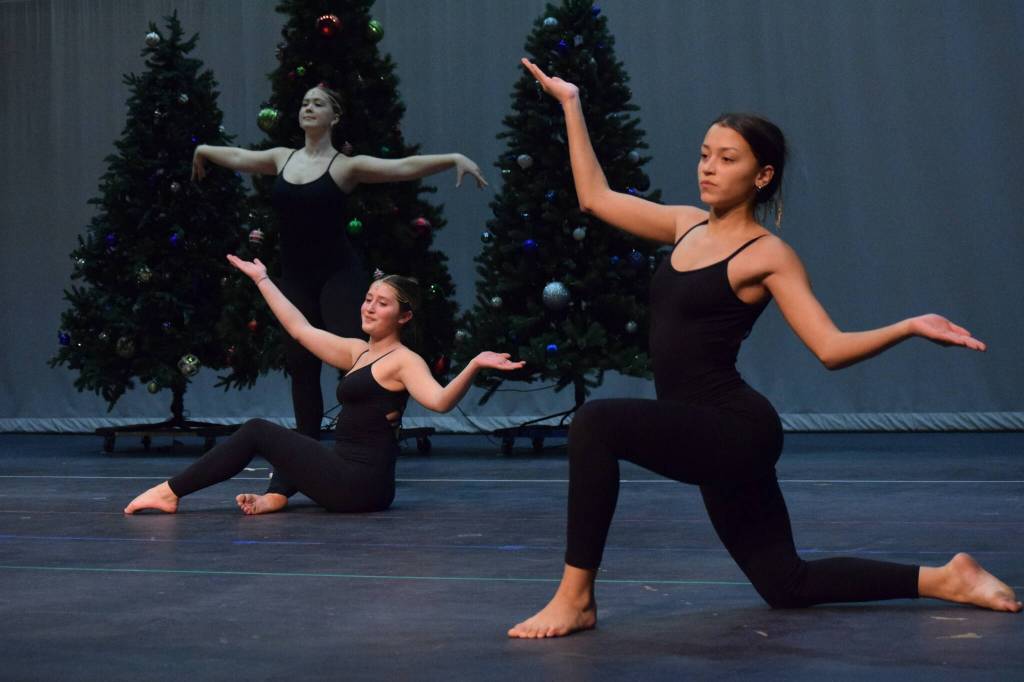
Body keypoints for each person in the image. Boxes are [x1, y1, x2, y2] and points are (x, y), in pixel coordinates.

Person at [508, 58, 1021, 638]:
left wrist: (905, 326)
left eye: (728, 159)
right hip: (700, 429)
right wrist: (572, 104)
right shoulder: (684, 226)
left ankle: (576, 599)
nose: (708, 168)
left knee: (595, 424)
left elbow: (829, 348)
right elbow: (595, 198)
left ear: (761, 176)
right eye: (705, 154)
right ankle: (948, 577)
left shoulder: (766, 255)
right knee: (786, 585)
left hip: (734, 429)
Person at [192, 84, 488, 499]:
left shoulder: (344, 167)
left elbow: (401, 167)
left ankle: (367, 448)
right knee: (300, 367)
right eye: (304, 102)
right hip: (294, 276)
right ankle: (291, 474)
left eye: (318, 103)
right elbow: (240, 158)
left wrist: (452, 158)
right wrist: (205, 149)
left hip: (337, 275)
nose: (308, 108)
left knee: (358, 359)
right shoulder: (282, 158)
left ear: (334, 117)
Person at [124, 256, 523, 515]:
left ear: (403, 317)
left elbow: (438, 402)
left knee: (258, 431)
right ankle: (277, 496)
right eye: (368, 298)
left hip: (360, 484)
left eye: (382, 303)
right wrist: (263, 279)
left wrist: (472, 365)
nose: (369, 307)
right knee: (303, 441)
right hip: (348, 474)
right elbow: (300, 329)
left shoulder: (404, 360)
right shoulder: (356, 352)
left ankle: (170, 492)